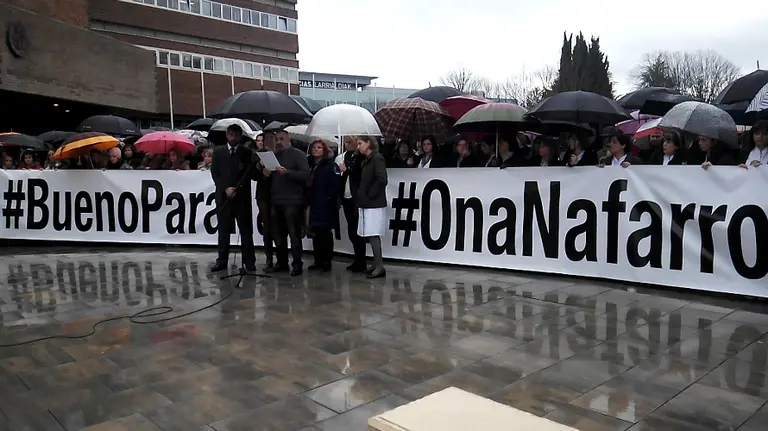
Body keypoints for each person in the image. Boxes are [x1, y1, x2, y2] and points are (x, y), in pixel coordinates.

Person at [210, 124, 257, 272]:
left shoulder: (246, 152)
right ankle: (222, 261)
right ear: (227, 135)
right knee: (223, 230)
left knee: (245, 231)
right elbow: (215, 173)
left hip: (241, 197)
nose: (233, 138)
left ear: (240, 136)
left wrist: (238, 187)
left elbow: (251, 174)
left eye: (236, 135)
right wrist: (226, 188)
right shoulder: (218, 152)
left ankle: (249, 262)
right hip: (223, 197)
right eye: (231, 135)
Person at [264, 127, 309, 276]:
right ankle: (281, 262)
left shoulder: (298, 155)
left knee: (294, 234)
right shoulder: (274, 156)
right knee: (278, 234)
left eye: (282, 139)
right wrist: (266, 173)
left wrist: (287, 172)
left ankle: (297, 264)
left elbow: (305, 175)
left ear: (289, 139)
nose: (279, 142)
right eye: (277, 139)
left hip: (293, 201)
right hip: (276, 200)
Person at [356, 136, 388, 279]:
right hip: (366, 202)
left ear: (368, 143)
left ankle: (379, 265)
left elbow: (381, 179)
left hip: (374, 203)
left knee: (373, 234)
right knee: (369, 233)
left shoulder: (377, 158)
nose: (358, 146)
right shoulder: (366, 160)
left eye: (360, 143)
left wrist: (370, 195)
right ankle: (376, 263)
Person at [307, 140, 341, 271]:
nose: (316, 149)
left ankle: (327, 261)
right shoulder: (311, 165)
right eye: (314, 147)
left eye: (319, 147)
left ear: (324, 150)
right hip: (314, 202)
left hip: (326, 203)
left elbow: (336, 184)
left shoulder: (331, 165)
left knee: (325, 233)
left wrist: (329, 198)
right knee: (315, 232)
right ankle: (318, 260)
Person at [337, 136, 367, 272]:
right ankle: (357, 259)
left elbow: (358, 173)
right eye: (345, 142)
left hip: (356, 197)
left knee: (357, 229)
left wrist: (347, 169)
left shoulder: (360, 157)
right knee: (351, 229)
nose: (347, 145)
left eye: (350, 142)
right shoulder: (343, 157)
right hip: (346, 196)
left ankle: (361, 260)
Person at [253, 131, 275, 268]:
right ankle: (269, 258)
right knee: (266, 226)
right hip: (263, 194)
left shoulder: (280, 153)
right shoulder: (257, 155)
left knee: (277, 226)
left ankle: (281, 258)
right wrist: (260, 169)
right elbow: (253, 175)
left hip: (277, 193)